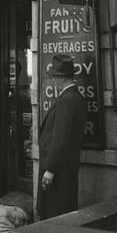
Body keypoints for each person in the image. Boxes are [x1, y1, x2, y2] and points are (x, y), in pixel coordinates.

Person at [37, 54, 87, 220]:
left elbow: (60, 138)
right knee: (64, 213)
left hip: (58, 171)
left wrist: (50, 169)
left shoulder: (67, 100)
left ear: (61, 78)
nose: (52, 81)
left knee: (54, 215)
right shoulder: (77, 98)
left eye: (54, 77)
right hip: (67, 168)